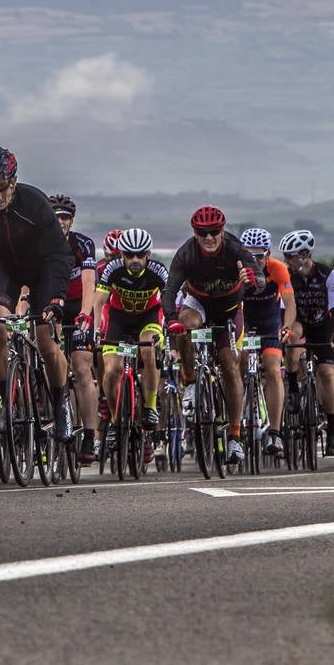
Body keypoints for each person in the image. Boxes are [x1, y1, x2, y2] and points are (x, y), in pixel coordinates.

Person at [0, 147, 74, 449]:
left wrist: (56, 299)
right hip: (6, 267)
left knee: (47, 342)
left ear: (15, 180)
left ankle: (60, 403)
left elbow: (59, 254)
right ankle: (7, 402)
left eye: (2, 188)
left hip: (43, 268)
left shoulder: (34, 202)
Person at [161, 205, 263, 466]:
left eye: (214, 232)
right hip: (199, 305)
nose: (208, 237)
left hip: (230, 310)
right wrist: (171, 319)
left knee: (230, 365)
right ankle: (191, 380)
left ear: (222, 230)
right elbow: (170, 290)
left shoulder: (234, 248)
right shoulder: (186, 253)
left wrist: (253, 279)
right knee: (184, 324)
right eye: (202, 232)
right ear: (195, 233)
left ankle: (234, 435)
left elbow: (259, 277)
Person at [91, 228, 166, 465]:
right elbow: (100, 300)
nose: (135, 260)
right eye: (130, 255)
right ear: (122, 255)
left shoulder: (158, 271)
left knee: (148, 351)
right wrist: (94, 330)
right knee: (111, 370)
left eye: (140, 255)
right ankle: (115, 419)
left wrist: (169, 329)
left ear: (148, 254)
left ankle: (150, 406)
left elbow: (169, 300)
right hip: (120, 321)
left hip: (148, 319)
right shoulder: (113, 270)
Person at [279, 229, 334, 457]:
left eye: (290, 256)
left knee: (327, 373)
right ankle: (294, 388)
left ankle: (333, 430)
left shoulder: (329, 275)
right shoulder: (288, 275)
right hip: (300, 321)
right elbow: (284, 308)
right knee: (292, 336)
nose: (287, 260)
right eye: (285, 256)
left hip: (323, 325)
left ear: (305, 254)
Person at [48, 194, 100, 462]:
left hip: (78, 306)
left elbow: (90, 283)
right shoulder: (40, 244)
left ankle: (91, 435)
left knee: (81, 367)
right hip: (53, 305)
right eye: (56, 217)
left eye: (65, 218)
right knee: (50, 364)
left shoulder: (83, 244)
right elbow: (28, 284)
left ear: (72, 220)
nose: (61, 222)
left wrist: (85, 313)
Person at [238, 228, 295, 459]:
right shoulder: (237, 271)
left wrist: (287, 327)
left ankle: (275, 431)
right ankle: (236, 421)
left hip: (269, 323)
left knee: (272, 369)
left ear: (268, 254)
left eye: (259, 256)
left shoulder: (277, 268)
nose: (254, 261)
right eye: (249, 256)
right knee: (236, 368)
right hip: (244, 321)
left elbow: (290, 303)